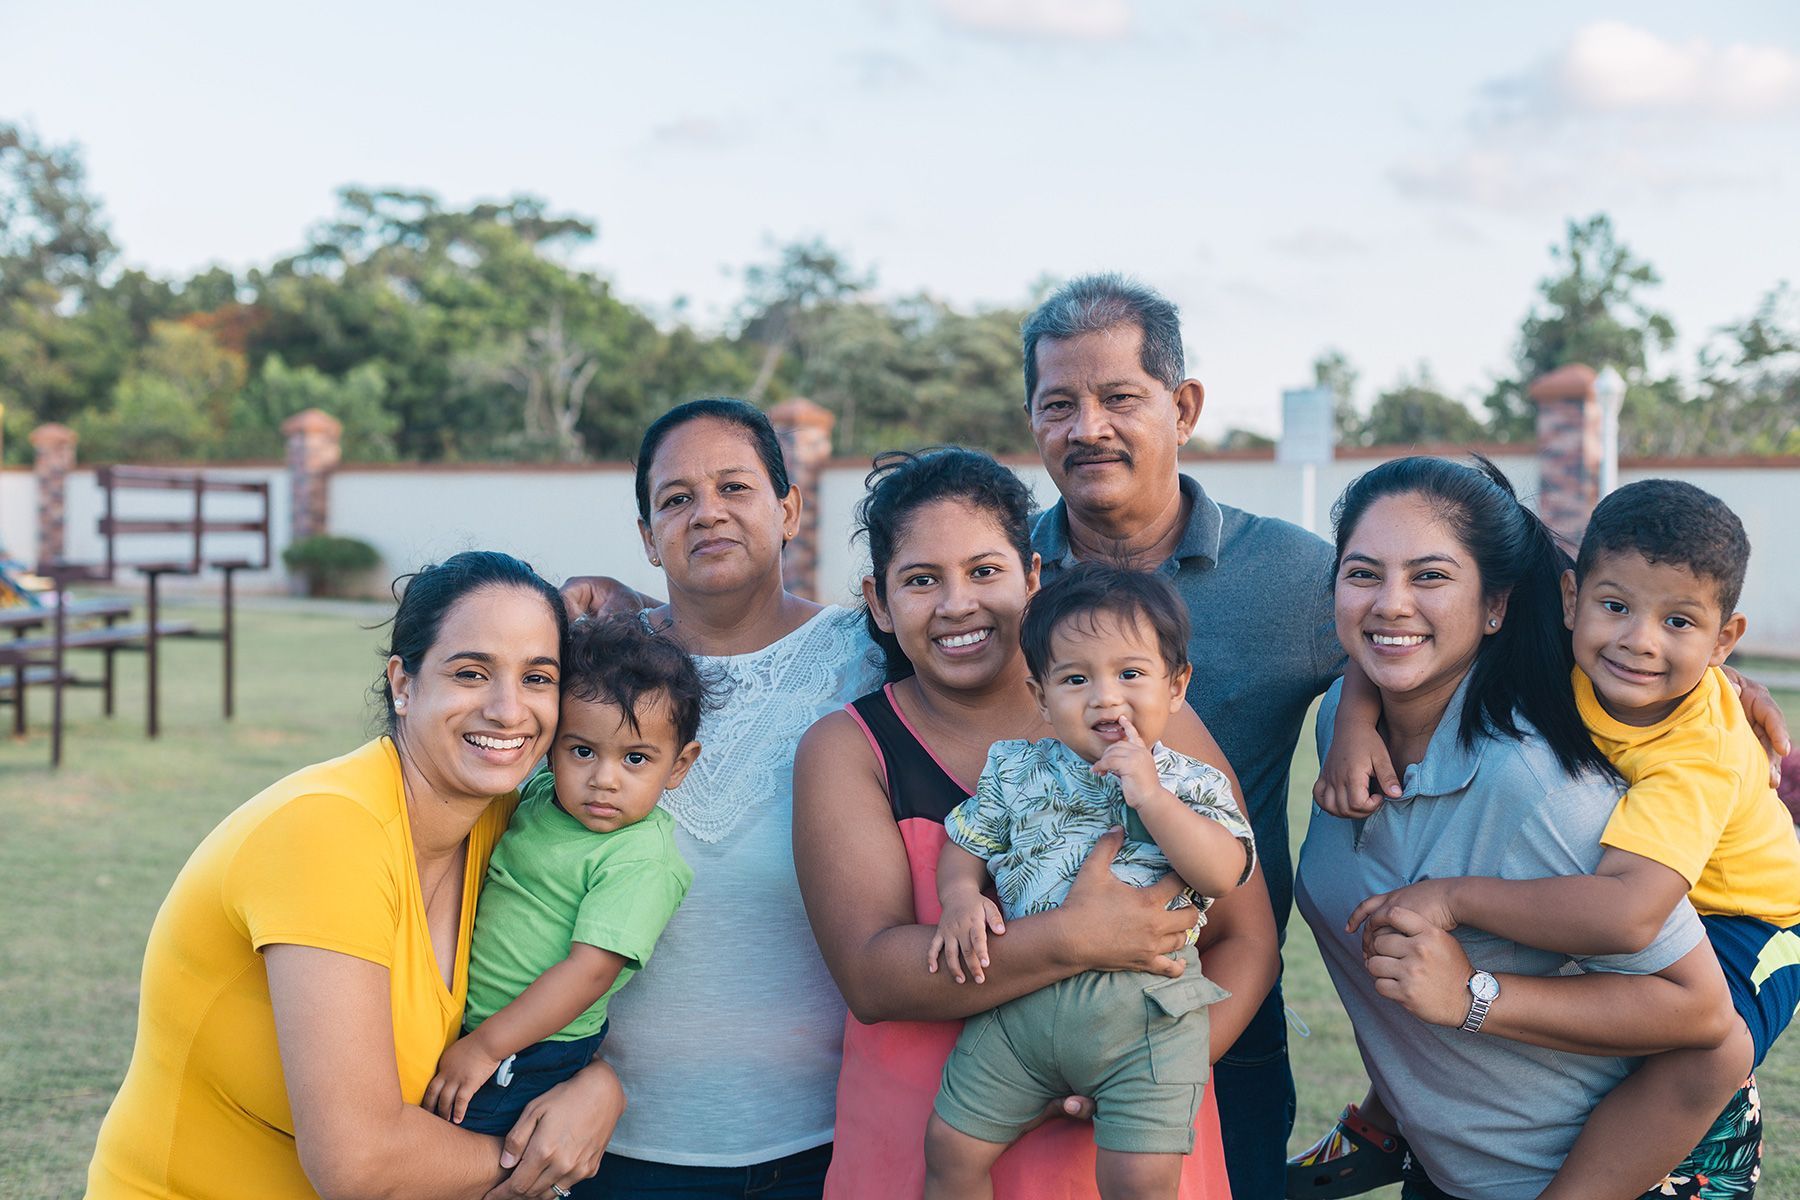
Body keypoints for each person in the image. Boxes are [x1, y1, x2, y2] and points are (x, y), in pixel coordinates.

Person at [795, 447, 1272, 1199]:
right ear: (879, 603)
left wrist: (1151, 1065)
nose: (958, 604)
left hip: (1125, 1143)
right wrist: (1075, 938)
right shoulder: (850, 748)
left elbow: (1248, 936)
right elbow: (871, 975)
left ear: (1034, 577)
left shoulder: (1141, 724)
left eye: (986, 571)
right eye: (922, 580)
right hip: (927, 1141)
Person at [87, 550, 626, 1200]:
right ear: (403, 682)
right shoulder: (328, 831)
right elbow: (359, 1165)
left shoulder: (507, 823)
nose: (510, 710)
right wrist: (537, 1157)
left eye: (537, 678)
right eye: (471, 672)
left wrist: (599, 1084)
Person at [1294, 456, 1756, 1200]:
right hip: (1452, 1171)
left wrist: (1474, 993)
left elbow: (1709, 1023)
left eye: (1431, 577)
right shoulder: (1342, 727)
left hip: (1618, 1178)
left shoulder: (1540, 784)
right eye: (1362, 573)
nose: (1391, 602)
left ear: (1495, 606)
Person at [1018, 274, 1341, 1196]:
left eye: (1120, 397)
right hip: (1030, 1013)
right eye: (1059, 404)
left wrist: (1352, 710)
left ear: (1183, 406)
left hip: (1224, 1002)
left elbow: (1425, 643)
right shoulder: (1006, 575)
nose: (1088, 427)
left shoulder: (1291, 574)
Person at [566, 398, 886, 1200]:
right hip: (608, 1146)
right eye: (675, 499)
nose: (706, 513)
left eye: (734, 487)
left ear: (788, 510)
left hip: (827, 1147)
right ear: (647, 537)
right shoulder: (586, 676)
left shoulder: (873, 660)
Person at [924, 564, 1256, 1200]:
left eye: (1130, 674)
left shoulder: (1191, 782)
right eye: (1076, 679)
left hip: (1148, 1019)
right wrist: (961, 896)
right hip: (1020, 1005)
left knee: (1141, 1179)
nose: (1105, 697)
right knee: (951, 1146)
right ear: (1041, 697)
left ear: (1176, 685)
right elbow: (968, 843)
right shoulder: (1014, 767)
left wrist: (1152, 797)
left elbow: (1225, 870)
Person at [423, 615, 704, 1136]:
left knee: (471, 1161)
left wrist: (487, 1046)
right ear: (551, 746)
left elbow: (590, 972)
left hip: (530, 1049)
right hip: (475, 1025)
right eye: (582, 752)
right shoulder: (541, 799)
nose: (604, 779)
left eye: (636, 758)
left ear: (680, 765)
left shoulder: (641, 859)